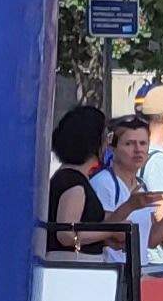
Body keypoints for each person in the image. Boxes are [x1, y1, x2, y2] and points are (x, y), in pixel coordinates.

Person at [87, 113, 163, 259]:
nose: (138, 149)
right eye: (129, 143)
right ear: (113, 147)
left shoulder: (141, 186)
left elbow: (150, 241)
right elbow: (102, 232)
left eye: (143, 143)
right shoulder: (104, 183)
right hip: (113, 270)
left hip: (139, 269)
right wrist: (129, 207)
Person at [43, 105, 112, 248]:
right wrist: (110, 232)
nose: (108, 143)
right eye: (106, 137)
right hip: (73, 261)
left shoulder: (69, 178)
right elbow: (66, 234)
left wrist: (129, 207)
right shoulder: (74, 184)